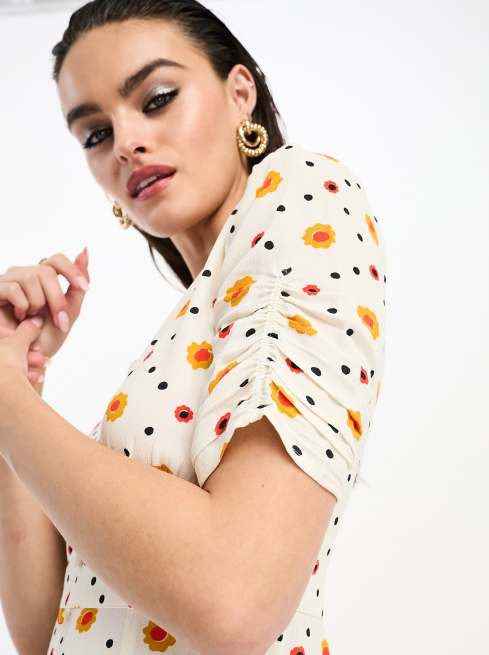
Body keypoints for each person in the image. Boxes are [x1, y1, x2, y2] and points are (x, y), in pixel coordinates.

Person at [0, 1, 387, 654]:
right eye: (95, 134)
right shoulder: (197, 323)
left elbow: (235, 600)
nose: (125, 143)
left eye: (156, 99)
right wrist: (18, 378)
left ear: (240, 94)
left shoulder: (305, 191)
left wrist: (7, 402)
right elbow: (51, 632)